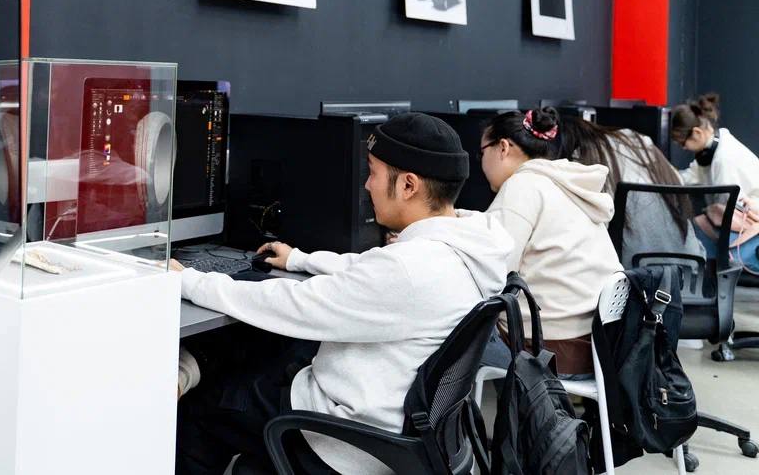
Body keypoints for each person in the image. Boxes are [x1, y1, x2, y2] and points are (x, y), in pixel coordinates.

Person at [171, 112, 513, 475]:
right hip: (398, 425)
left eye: (373, 173)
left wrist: (187, 280)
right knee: (276, 351)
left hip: (344, 436)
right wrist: (301, 259)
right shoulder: (472, 244)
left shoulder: (407, 270)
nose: (367, 185)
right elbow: (371, 271)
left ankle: (190, 378)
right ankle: (194, 370)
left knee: (201, 412)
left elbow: (295, 304)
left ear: (408, 185)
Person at [479, 108, 621, 376]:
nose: (481, 162)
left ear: (503, 148)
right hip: (601, 346)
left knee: (448, 327)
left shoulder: (520, 187)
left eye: (482, 152)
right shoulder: (567, 185)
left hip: (548, 351)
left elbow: (492, 273)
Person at [557, 115, 704, 269]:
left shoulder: (588, 158)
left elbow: (596, 228)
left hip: (638, 271)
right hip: (690, 266)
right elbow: (680, 183)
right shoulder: (638, 141)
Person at [672, 93, 759, 273]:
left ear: (697, 133)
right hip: (740, 219)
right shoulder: (712, 150)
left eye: (683, 143)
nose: (684, 148)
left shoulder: (724, 159)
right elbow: (691, 175)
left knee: (697, 228)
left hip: (749, 222)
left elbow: (727, 210)